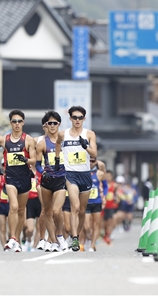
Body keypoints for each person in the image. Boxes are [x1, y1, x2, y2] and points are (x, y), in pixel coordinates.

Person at [0, 110, 37, 252]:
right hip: (10, 178)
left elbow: (34, 160)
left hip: (24, 178)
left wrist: (26, 160)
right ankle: (12, 238)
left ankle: (16, 239)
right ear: (10, 123)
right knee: (14, 207)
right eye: (14, 121)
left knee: (21, 210)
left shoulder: (28, 139)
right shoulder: (3, 140)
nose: (17, 124)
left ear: (23, 122)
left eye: (19, 121)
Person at [62, 105, 97, 252]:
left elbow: (94, 153)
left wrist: (85, 146)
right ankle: (75, 239)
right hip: (70, 173)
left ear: (84, 119)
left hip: (85, 174)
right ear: (70, 118)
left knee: (82, 210)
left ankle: (76, 235)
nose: (77, 120)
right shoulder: (63, 134)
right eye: (75, 117)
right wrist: (58, 160)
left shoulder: (89, 134)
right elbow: (56, 144)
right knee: (74, 206)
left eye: (80, 117)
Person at [35, 110, 67, 252]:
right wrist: (43, 173)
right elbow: (36, 164)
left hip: (61, 179)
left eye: (55, 123)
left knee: (56, 210)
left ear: (59, 124)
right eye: (50, 123)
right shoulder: (42, 144)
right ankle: (53, 240)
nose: (52, 126)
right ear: (46, 125)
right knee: (47, 211)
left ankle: (60, 235)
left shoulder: (65, 141)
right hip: (47, 181)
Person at [82, 158, 105, 251]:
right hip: (86, 202)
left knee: (96, 224)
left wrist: (104, 197)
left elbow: (105, 186)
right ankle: (89, 238)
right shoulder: (82, 172)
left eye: (93, 161)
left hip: (97, 201)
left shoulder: (100, 173)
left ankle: (92, 245)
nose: (91, 163)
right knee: (86, 226)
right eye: (89, 161)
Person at [0, 175, 9, 249]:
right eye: (3, 165)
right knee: (2, 228)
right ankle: (4, 247)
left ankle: (10, 242)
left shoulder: (15, 177)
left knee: (11, 228)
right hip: (1, 205)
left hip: (11, 204)